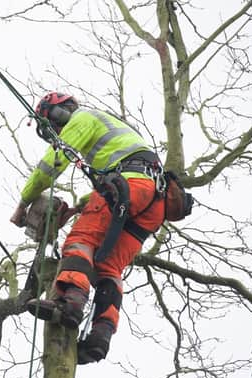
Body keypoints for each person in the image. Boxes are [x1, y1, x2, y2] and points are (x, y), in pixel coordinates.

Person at [10, 92, 166, 364]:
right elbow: (113, 182)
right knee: (109, 268)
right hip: (153, 202)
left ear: (61, 112)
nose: (57, 131)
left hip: (128, 186)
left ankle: (69, 303)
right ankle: (100, 335)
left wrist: (23, 202)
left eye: (55, 124)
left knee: (80, 241)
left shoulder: (83, 117)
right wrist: (81, 206)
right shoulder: (116, 134)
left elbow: (53, 163)